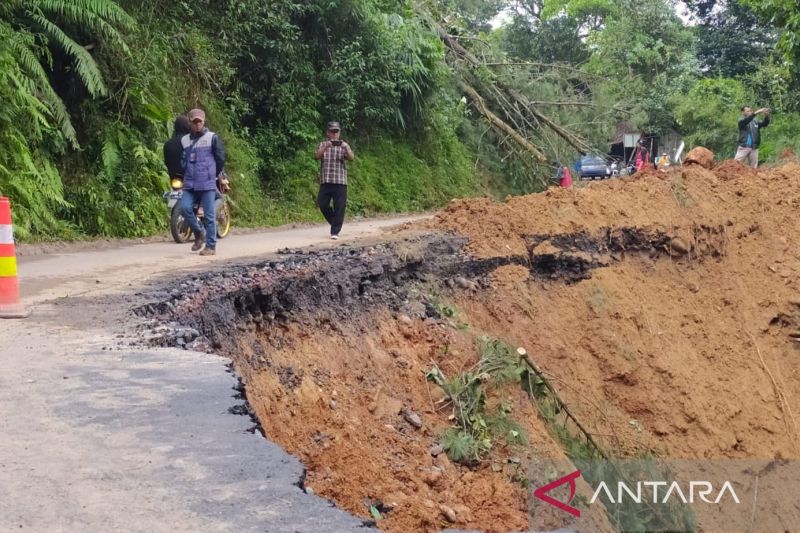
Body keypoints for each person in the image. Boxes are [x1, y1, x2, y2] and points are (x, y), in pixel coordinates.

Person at [180, 108, 227, 256]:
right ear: (189, 123)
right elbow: (182, 160)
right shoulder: (184, 140)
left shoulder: (212, 138)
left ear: (204, 122)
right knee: (185, 207)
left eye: (199, 121)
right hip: (190, 183)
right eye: (194, 122)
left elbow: (220, 158)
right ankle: (199, 233)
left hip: (206, 183)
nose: (197, 124)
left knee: (208, 215)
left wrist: (211, 173)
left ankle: (211, 246)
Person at [314, 121, 354, 240]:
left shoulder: (344, 146)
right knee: (322, 204)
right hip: (326, 180)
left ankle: (335, 231)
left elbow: (351, 158)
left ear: (339, 132)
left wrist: (346, 148)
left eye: (336, 131)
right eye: (332, 131)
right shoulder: (323, 144)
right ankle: (335, 222)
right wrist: (326, 147)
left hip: (340, 181)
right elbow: (316, 156)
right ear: (328, 133)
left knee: (339, 206)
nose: (334, 134)